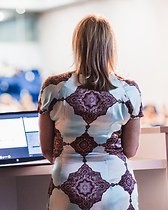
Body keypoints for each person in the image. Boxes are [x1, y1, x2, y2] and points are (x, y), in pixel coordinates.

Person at [39, 15, 143, 210]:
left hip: (69, 182)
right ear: (110, 47)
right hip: (117, 183)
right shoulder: (129, 90)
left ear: (77, 45)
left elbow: (46, 150)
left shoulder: (53, 87)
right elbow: (130, 150)